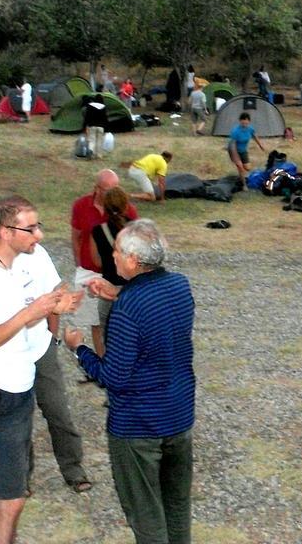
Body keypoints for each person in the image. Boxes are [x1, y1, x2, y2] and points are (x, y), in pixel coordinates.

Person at [0, 195, 81, 544]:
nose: (39, 235)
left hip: (16, 391)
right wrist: (32, 313)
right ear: (4, 231)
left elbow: (23, 316)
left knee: (5, 488)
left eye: (38, 226)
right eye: (30, 228)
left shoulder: (12, 269)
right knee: (12, 498)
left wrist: (53, 306)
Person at [64, 219, 195, 544]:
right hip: (179, 417)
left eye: (118, 251)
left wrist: (79, 349)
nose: (113, 255)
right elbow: (154, 304)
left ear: (134, 261)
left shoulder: (127, 310)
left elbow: (113, 377)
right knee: (176, 505)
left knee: (146, 513)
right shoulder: (180, 286)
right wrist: (118, 292)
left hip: (138, 427)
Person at [0, 213, 92, 495]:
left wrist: (52, 338)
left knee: (57, 412)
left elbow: (54, 294)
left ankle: (73, 470)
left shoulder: (37, 254)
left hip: (41, 349)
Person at [70, 169, 138, 352]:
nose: (112, 193)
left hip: (111, 274)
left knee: (108, 320)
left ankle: (105, 364)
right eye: (108, 188)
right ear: (97, 188)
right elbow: (75, 236)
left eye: (115, 188)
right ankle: (101, 360)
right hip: (89, 271)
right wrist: (78, 262)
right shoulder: (81, 205)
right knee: (93, 320)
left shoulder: (128, 210)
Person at [86, 185, 133, 356]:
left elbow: (96, 261)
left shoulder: (98, 231)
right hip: (133, 289)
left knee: (107, 332)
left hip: (108, 288)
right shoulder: (135, 230)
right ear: (126, 205)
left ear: (105, 206)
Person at [227, 112, 266, 186]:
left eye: (246, 121)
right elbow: (233, 145)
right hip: (233, 150)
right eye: (243, 121)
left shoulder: (250, 129)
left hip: (243, 150)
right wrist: (236, 159)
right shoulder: (235, 131)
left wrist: (260, 145)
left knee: (247, 168)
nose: (245, 123)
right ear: (240, 121)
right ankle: (244, 185)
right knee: (240, 167)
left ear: (249, 121)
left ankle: (242, 176)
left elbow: (254, 136)